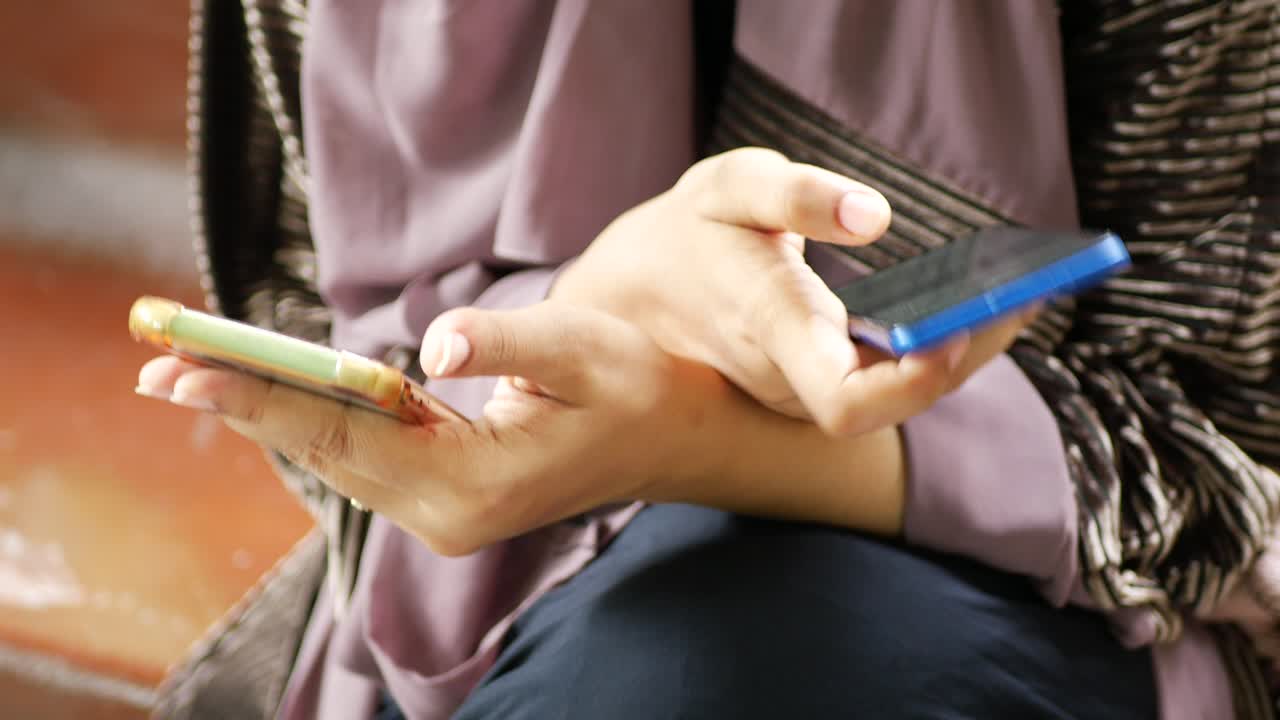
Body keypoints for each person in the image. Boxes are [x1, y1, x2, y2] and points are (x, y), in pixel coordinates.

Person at [139, 1, 1280, 718]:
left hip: (1092, 597)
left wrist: (697, 430)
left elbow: (1222, 463)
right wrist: (569, 333)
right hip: (487, 584)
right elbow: (312, 304)